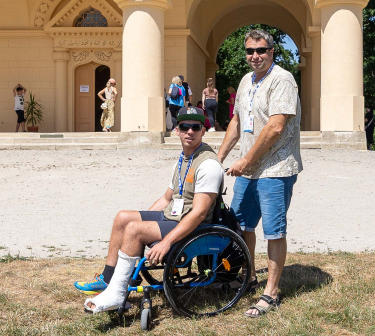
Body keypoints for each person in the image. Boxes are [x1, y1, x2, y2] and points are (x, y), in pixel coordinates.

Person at [76, 107, 225, 311]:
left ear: (203, 131)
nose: (190, 131)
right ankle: (108, 279)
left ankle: (117, 294)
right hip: (174, 216)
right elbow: (166, 198)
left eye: (196, 127)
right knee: (123, 218)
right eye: (184, 126)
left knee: (134, 230)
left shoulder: (208, 164)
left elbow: (199, 214)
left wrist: (165, 242)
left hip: (195, 226)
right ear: (177, 130)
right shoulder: (183, 159)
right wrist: (145, 224)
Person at [217, 29, 302, 318]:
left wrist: (245, 160)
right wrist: (218, 157)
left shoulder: (282, 79)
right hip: (249, 169)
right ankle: (250, 277)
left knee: (274, 231)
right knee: (242, 225)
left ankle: (271, 293)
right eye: (250, 51)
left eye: (261, 50)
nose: (255, 56)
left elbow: (276, 127)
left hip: (275, 168)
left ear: (271, 51)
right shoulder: (246, 80)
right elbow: (237, 121)